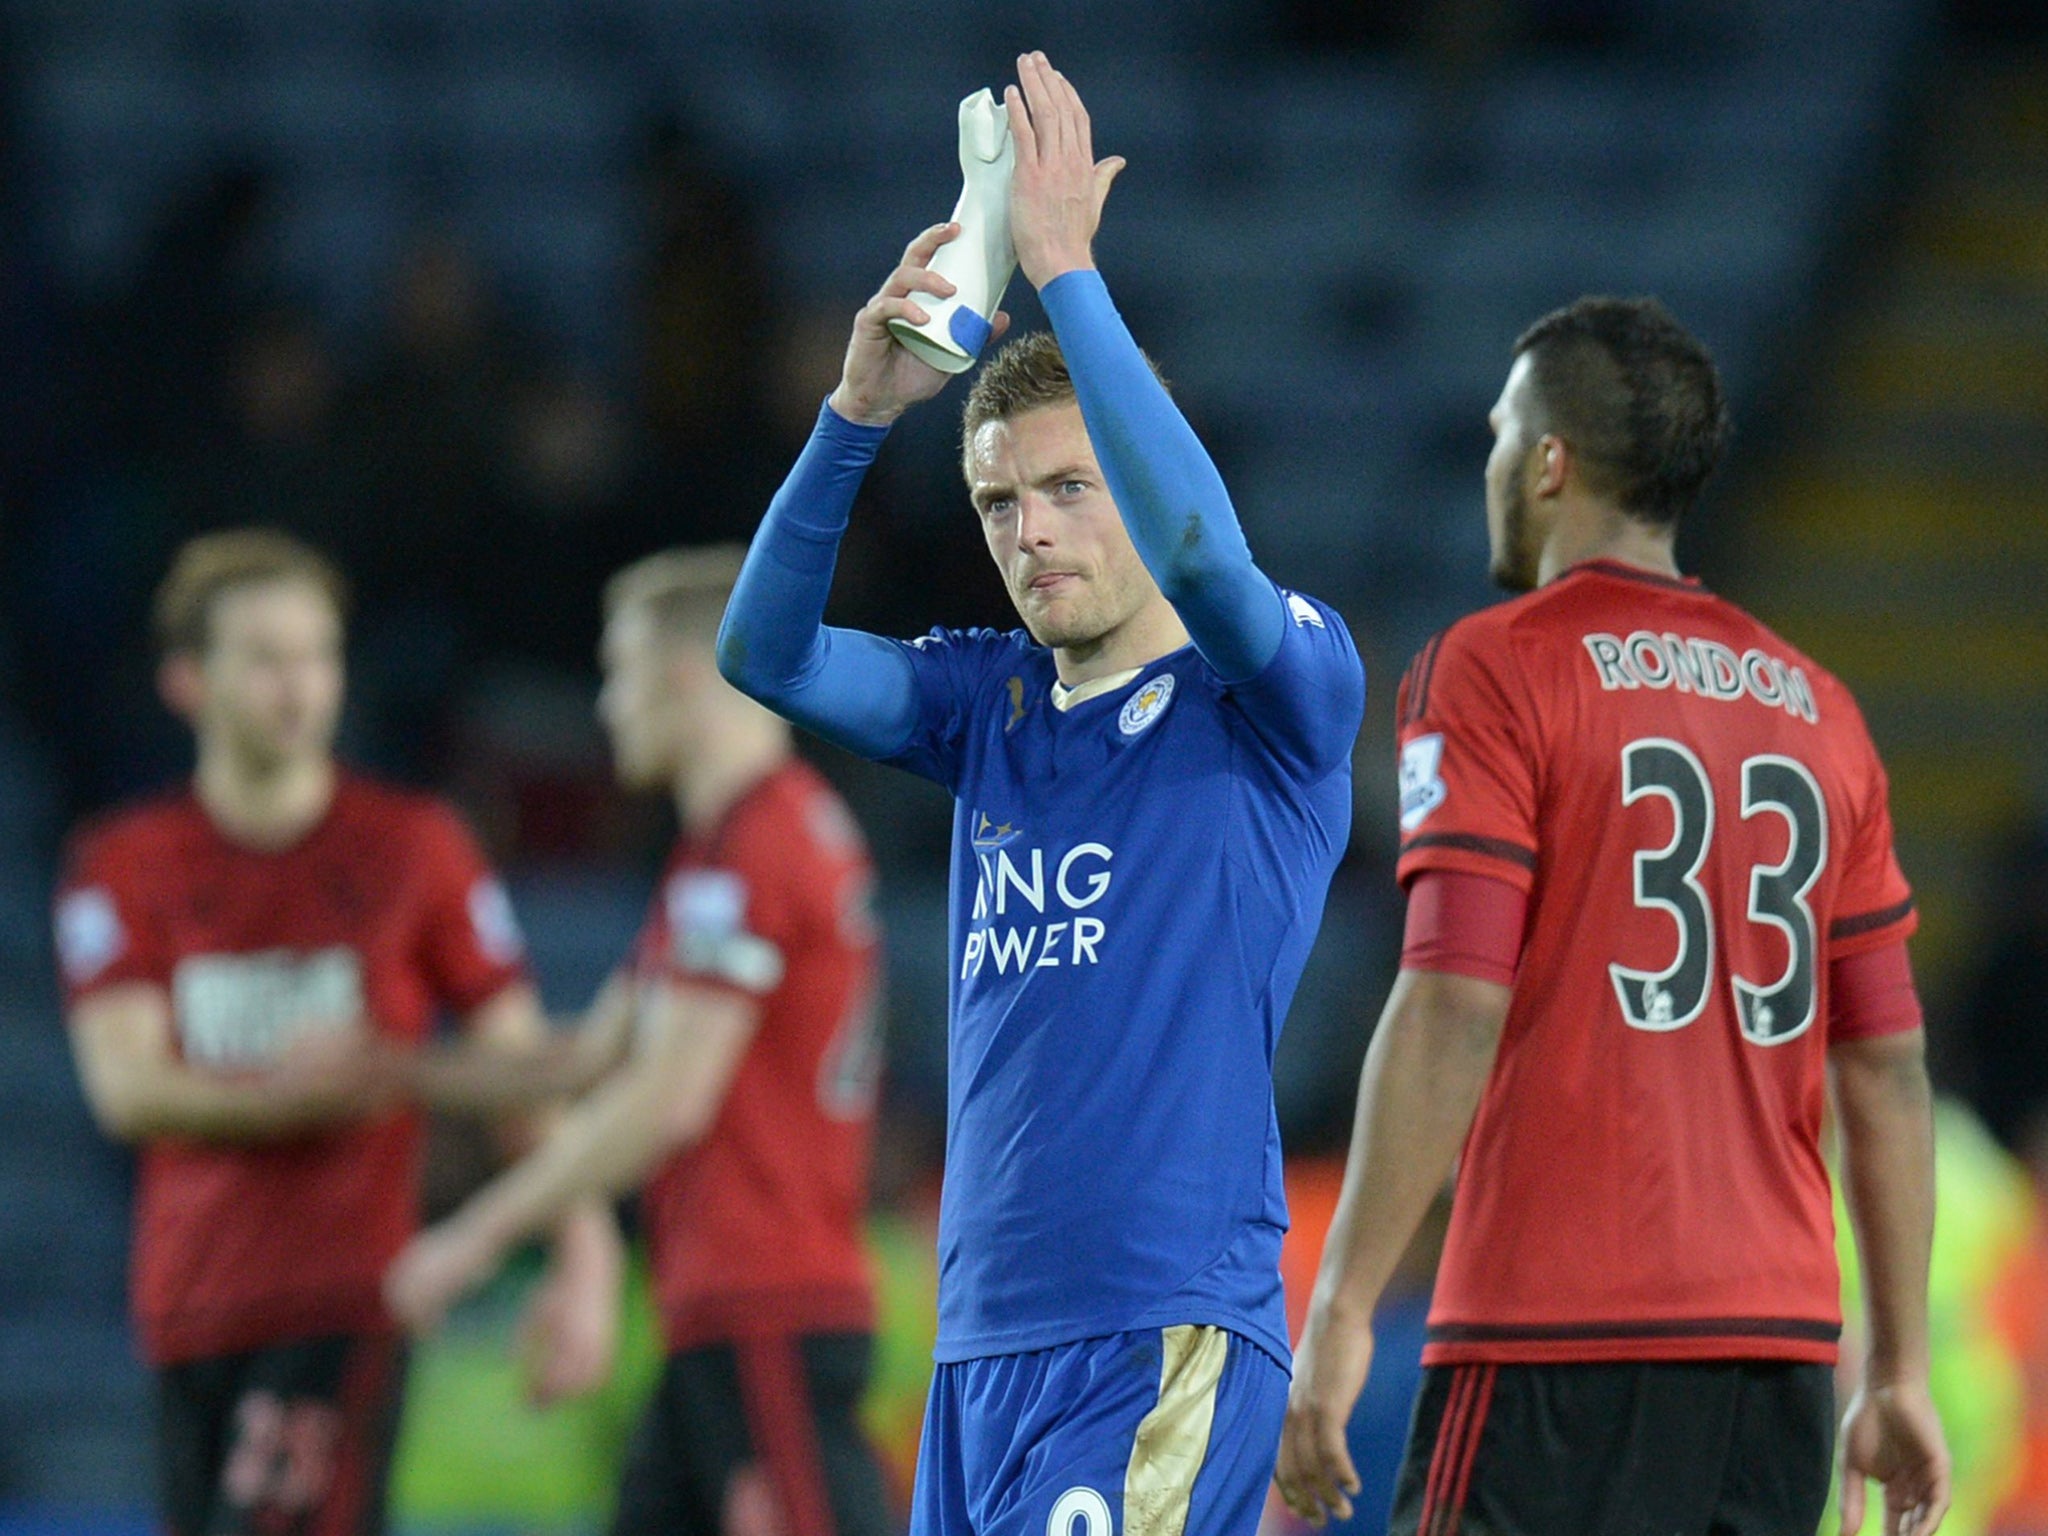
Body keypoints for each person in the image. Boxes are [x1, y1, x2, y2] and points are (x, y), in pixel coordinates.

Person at [718, 52, 1365, 1536]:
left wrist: (1067, 271)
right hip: (977, 1345)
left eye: (1071, 487)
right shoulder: (988, 700)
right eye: (1001, 500)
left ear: (1136, 480)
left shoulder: (1276, 694)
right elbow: (765, 653)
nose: (1031, 531)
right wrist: (856, 411)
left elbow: (1206, 556)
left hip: (1158, 1324)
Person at [1272, 297, 1950, 1536]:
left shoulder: (1492, 667)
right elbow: (1887, 1068)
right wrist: (1899, 1370)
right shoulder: (1819, 709)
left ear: (1545, 461)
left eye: (1495, 434)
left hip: (1552, 1336)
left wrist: (1339, 1306)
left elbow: (1451, 1001)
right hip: (1775, 1360)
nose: (1487, 463)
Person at [53, 529, 616, 1536]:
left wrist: (584, 1257)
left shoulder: (415, 846)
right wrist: (290, 1094)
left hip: (345, 1297)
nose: (299, 684)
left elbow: (514, 1063)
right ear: (187, 680)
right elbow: (124, 1087)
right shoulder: (121, 863)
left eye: (317, 653)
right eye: (265, 657)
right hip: (187, 1304)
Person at [384, 546, 893, 1536]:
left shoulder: (752, 851)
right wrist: (388, 1070)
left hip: (768, 1307)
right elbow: (585, 1056)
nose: (607, 709)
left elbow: (669, 1095)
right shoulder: (733, 848)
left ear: (679, 675)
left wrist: (474, 1236)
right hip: (726, 1310)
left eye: (616, 674)